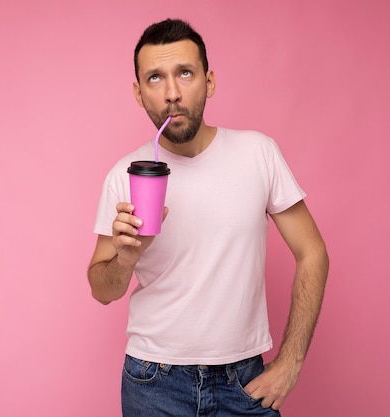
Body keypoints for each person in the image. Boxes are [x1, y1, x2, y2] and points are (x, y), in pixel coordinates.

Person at [87, 18, 329, 417]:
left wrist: (291, 362)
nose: (172, 94)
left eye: (185, 73)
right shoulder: (125, 174)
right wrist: (126, 257)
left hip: (243, 382)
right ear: (138, 93)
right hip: (153, 383)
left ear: (209, 81)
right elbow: (102, 289)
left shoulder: (258, 153)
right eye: (155, 78)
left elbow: (313, 252)